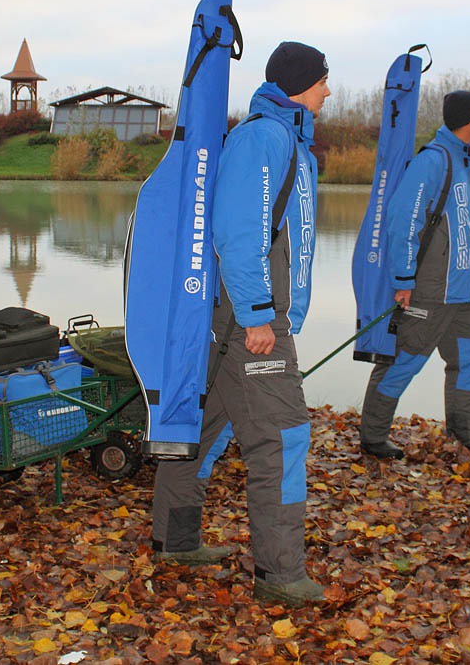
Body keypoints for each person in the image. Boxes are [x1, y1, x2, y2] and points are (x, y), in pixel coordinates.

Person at [151, 41, 329, 606]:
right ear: (300, 83)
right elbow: (237, 231)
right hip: (250, 316)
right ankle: (280, 577)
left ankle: (175, 541)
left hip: (241, 313)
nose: (328, 90)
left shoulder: (289, 138)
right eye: (323, 80)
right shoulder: (263, 137)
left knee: (203, 430)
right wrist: (258, 315)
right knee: (282, 438)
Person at [358, 90, 470, 458]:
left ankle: (466, 432)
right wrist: (403, 281)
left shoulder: (469, 163)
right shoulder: (433, 162)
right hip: (430, 292)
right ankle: (372, 437)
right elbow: (404, 222)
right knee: (405, 362)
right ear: (468, 121)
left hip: (465, 295)